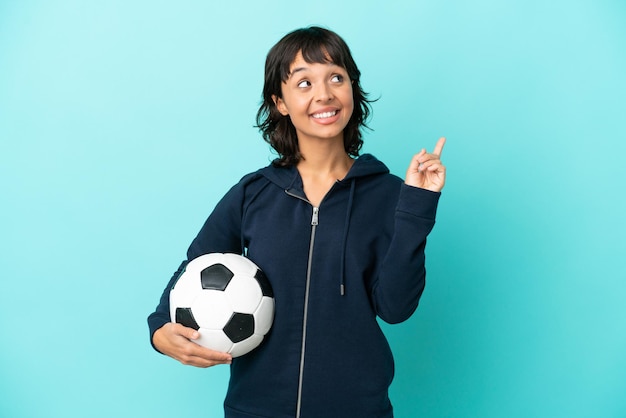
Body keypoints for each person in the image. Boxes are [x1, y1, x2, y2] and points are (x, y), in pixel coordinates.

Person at [148, 26, 446, 418]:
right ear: (280, 102)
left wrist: (417, 208)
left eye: (336, 78)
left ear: (352, 90)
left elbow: (395, 307)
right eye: (304, 82)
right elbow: (195, 268)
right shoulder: (253, 193)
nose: (324, 94)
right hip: (255, 409)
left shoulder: (390, 194)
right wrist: (159, 330)